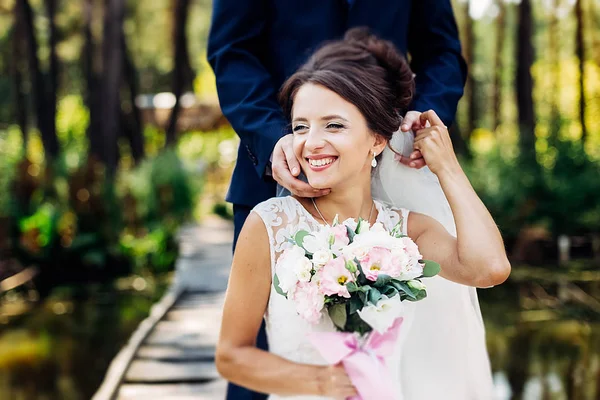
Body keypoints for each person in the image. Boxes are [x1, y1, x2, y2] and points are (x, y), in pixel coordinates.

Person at [215, 29, 510, 400]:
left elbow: (489, 269)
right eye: (301, 126)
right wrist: (321, 383)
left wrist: (447, 166)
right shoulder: (270, 225)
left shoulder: (408, 230)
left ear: (377, 139)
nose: (311, 142)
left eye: (333, 125)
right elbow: (231, 356)